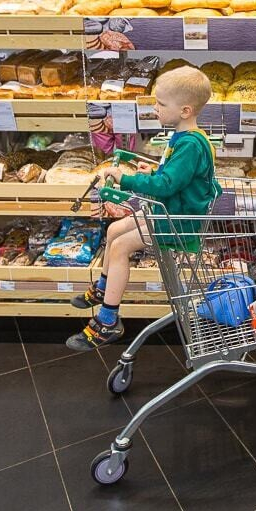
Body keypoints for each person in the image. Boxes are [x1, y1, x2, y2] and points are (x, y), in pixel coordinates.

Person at [66, 65, 220, 350]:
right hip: (170, 211)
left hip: (178, 220)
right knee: (114, 231)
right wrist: (152, 171)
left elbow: (166, 186)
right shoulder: (186, 137)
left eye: (161, 104)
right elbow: (175, 177)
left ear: (185, 110)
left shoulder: (190, 145)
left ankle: (108, 322)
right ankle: (103, 288)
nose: (155, 108)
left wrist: (126, 179)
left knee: (120, 247)